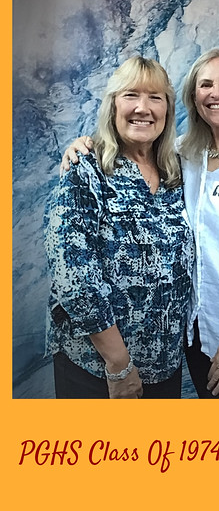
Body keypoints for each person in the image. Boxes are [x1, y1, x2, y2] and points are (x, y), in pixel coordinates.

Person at [62, 47, 219, 399]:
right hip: (191, 334)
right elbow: (133, 137)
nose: (216, 93)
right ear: (193, 97)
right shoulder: (183, 154)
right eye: (205, 85)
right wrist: (83, 144)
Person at [44, 56, 194, 399]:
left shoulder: (177, 173)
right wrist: (119, 365)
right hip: (98, 370)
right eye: (131, 95)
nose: (143, 108)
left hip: (164, 367)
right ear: (113, 105)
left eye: (155, 97)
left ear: (168, 109)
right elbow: (73, 279)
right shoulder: (86, 169)